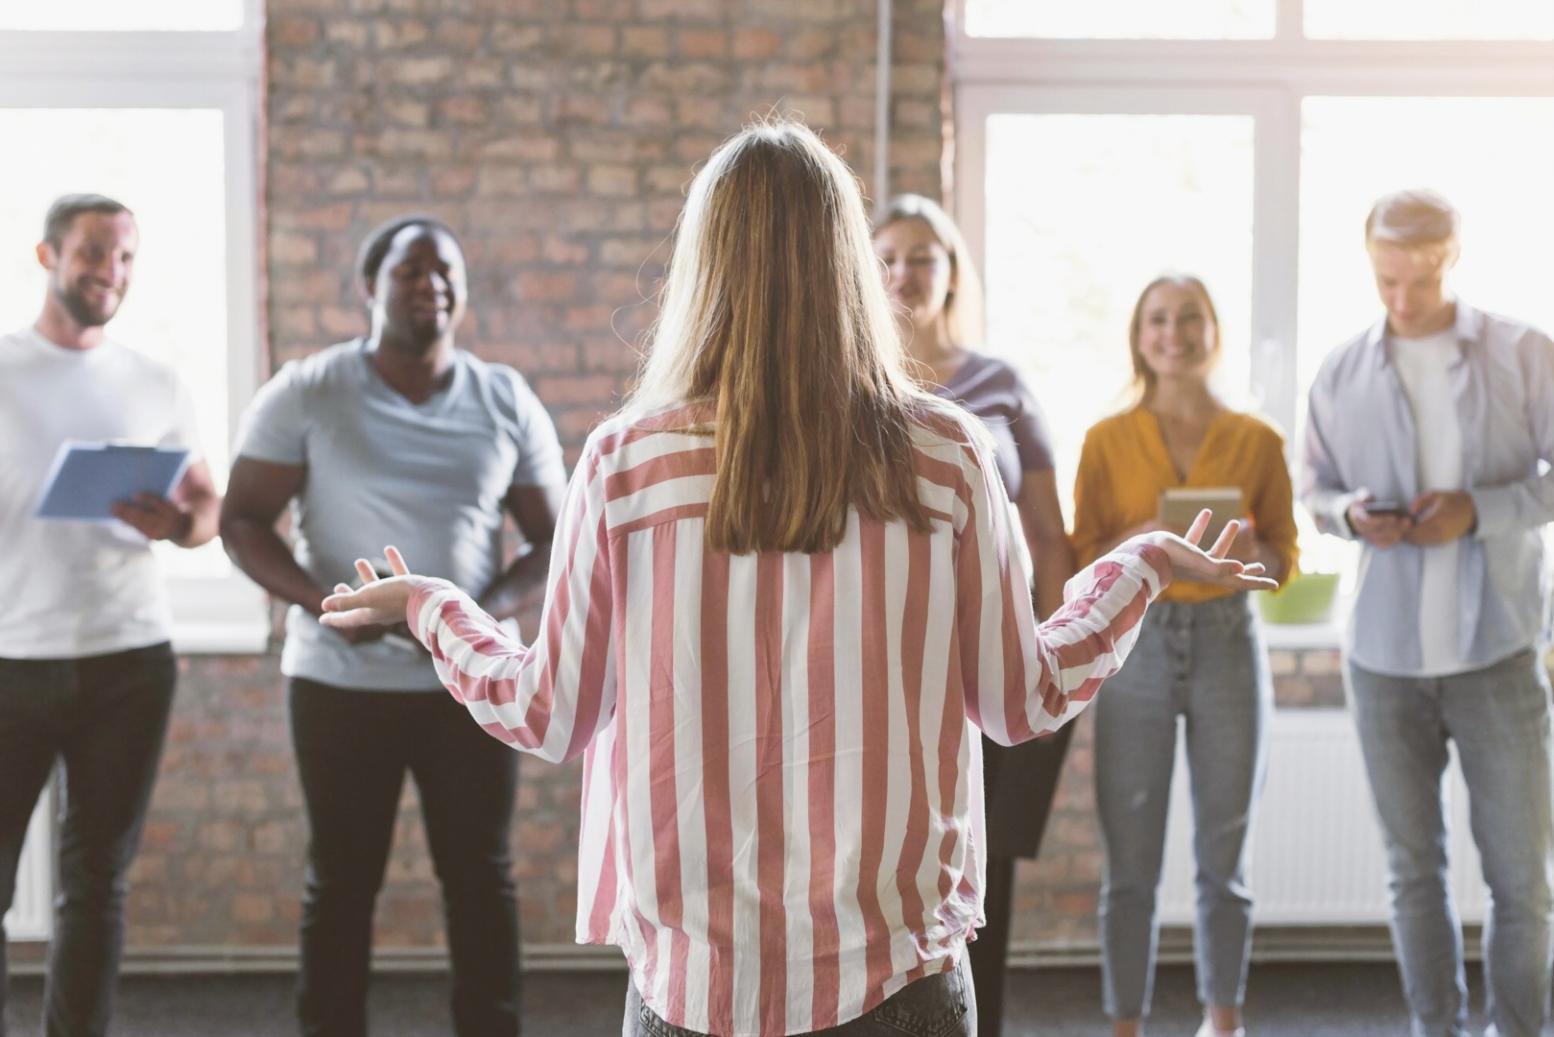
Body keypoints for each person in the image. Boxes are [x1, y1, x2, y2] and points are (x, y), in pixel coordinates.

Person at [316, 121, 1277, 1037]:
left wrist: (432, 606)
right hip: (901, 979)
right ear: (851, 263)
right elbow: (1024, 700)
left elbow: (548, 713)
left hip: (695, 989)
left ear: (705, 266)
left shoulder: (625, 464)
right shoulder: (947, 456)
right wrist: (1140, 566)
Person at [219, 215, 567, 1037]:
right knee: (340, 881)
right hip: (339, 683)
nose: (430, 285)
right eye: (409, 271)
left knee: (481, 878)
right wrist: (319, 604)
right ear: (369, 287)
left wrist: (472, 619)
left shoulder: (504, 397)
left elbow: (556, 541)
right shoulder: (307, 390)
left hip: (471, 686)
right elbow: (240, 520)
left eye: (445, 271)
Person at [1302, 189, 1554, 1037]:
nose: (1402, 299)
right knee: (1414, 872)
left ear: (1453, 257)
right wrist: (1350, 516)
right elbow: (1314, 491)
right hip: (1384, 661)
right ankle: (1434, 1029)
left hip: (1500, 658)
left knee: (1522, 879)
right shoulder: (1339, 371)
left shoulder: (1523, 353)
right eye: (1385, 279)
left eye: (1419, 279)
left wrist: (1481, 509)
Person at [0, 193, 220, 1037]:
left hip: (128, 659)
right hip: (13, 659)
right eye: (95, 253)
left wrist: (180, 524)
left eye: (125, 258)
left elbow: (206, 505)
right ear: (49, 255)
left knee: (96, 881)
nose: (111, 273)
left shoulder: (153, 379)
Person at [1071, 275, 1298, 1037]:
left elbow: (1285, 557)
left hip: (1229, 642)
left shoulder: (1258, 439)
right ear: (1140, 336)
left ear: (1214, 330)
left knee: (1222, 861)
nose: (1174, 332)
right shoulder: (1106, 439)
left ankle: (1223, 1021)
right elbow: (1081, 561)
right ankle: (1125, 1025)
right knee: (1129, 865)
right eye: (1159, 320)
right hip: (1135, 643)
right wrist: (1144, 537)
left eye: (1190, 317)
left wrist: (1242, 546)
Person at [873, 192, 1076, 1036]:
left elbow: (1048, 536)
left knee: (977, 876)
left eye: (924, 257)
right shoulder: (855, 380)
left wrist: (1052, 663)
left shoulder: (1001, 385)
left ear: (953, 272)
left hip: (985, 662)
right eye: (887, 256)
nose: (904, 273)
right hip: (891, 669)